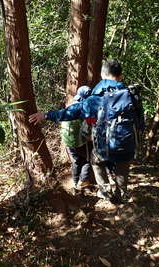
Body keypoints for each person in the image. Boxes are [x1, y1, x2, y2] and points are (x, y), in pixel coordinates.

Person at [29, 59, 144, 203]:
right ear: (121, 77)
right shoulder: (132, 96)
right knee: (122, 166)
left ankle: (105, 192)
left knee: (96, 161)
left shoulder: (95, 99)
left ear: (102, 75)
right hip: (127, 145)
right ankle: (121, 194)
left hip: (104, 147)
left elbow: (71, 112)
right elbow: (140, 122)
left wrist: (46, 115)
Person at [60, 86, 93, 191]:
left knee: (76, 161)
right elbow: (87, 128)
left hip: (67, 141)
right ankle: (83, 183)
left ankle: (75, 182)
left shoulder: (70, 107)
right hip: (79, 141)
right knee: (88, 160)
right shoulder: (84, 109)